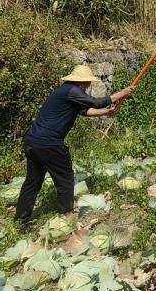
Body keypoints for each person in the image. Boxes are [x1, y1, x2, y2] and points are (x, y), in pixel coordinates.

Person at [14, 65, 134, 222]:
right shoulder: (72, 91)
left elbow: (84, 111)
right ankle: (67, 212)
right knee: (65, 177)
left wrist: (105, 112)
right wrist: (122, 93)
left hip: (33, 141)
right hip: (49, 143)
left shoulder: (66, 92)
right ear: (82, 82)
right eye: (88, 82)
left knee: (33, 181)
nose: (89, 85)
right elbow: (96, 102)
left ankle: (21, 218)